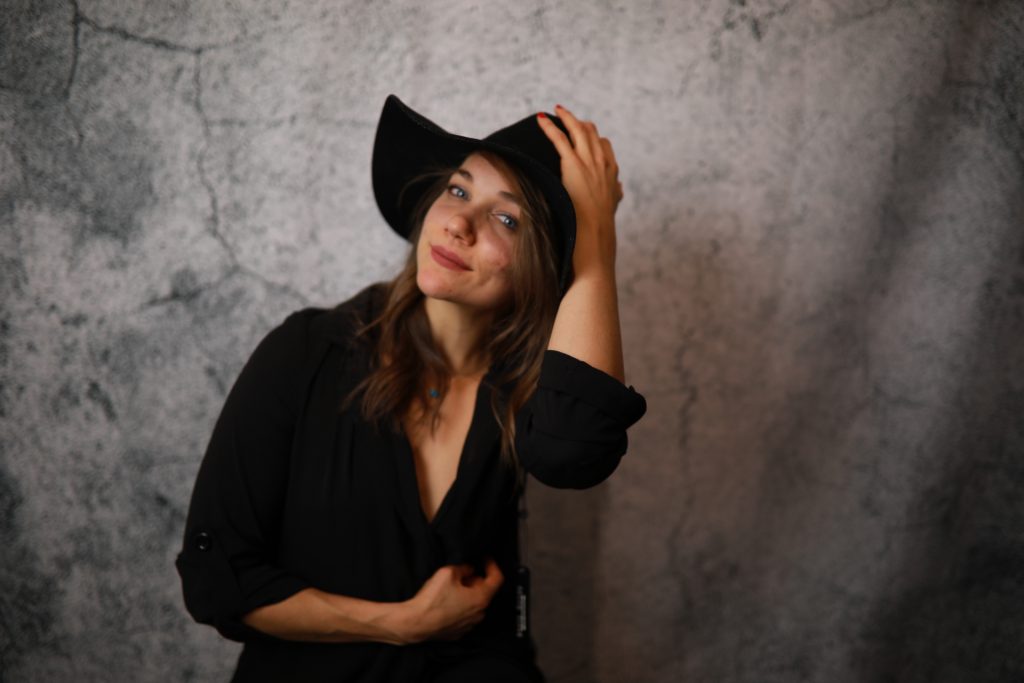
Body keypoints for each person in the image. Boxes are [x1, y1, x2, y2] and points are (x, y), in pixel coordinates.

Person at [175, 94, 647, 682]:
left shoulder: (527, 387)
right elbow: (216, 580)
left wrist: (597, 248)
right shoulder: (307, 353)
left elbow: (575, 454)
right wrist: (400, 623)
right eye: (457, 189)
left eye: (506, 218)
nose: (457, 223)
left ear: (546, 264)